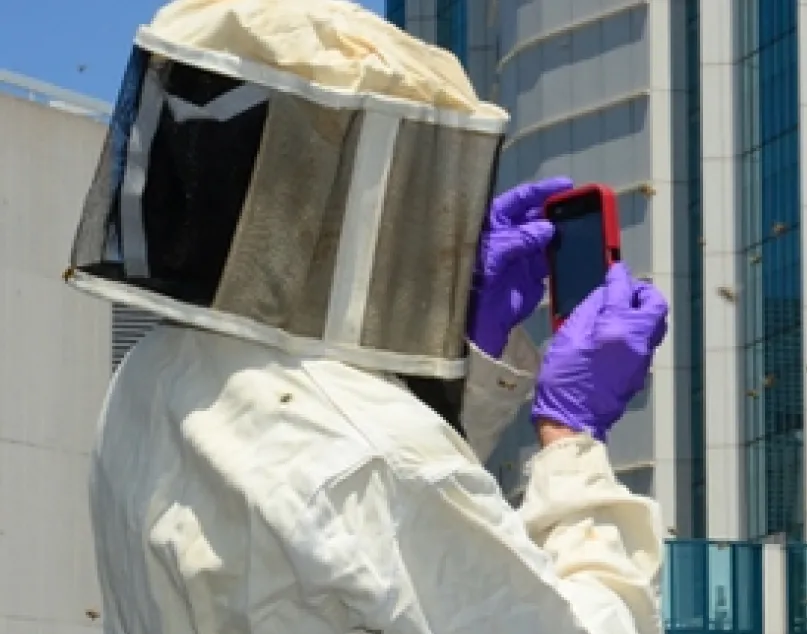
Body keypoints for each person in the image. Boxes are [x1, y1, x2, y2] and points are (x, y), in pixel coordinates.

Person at [69, 1, 669, 633]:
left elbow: (391, 546)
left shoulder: (148, 377)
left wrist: (466, 363)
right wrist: (569, 439)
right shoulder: (373, 461)